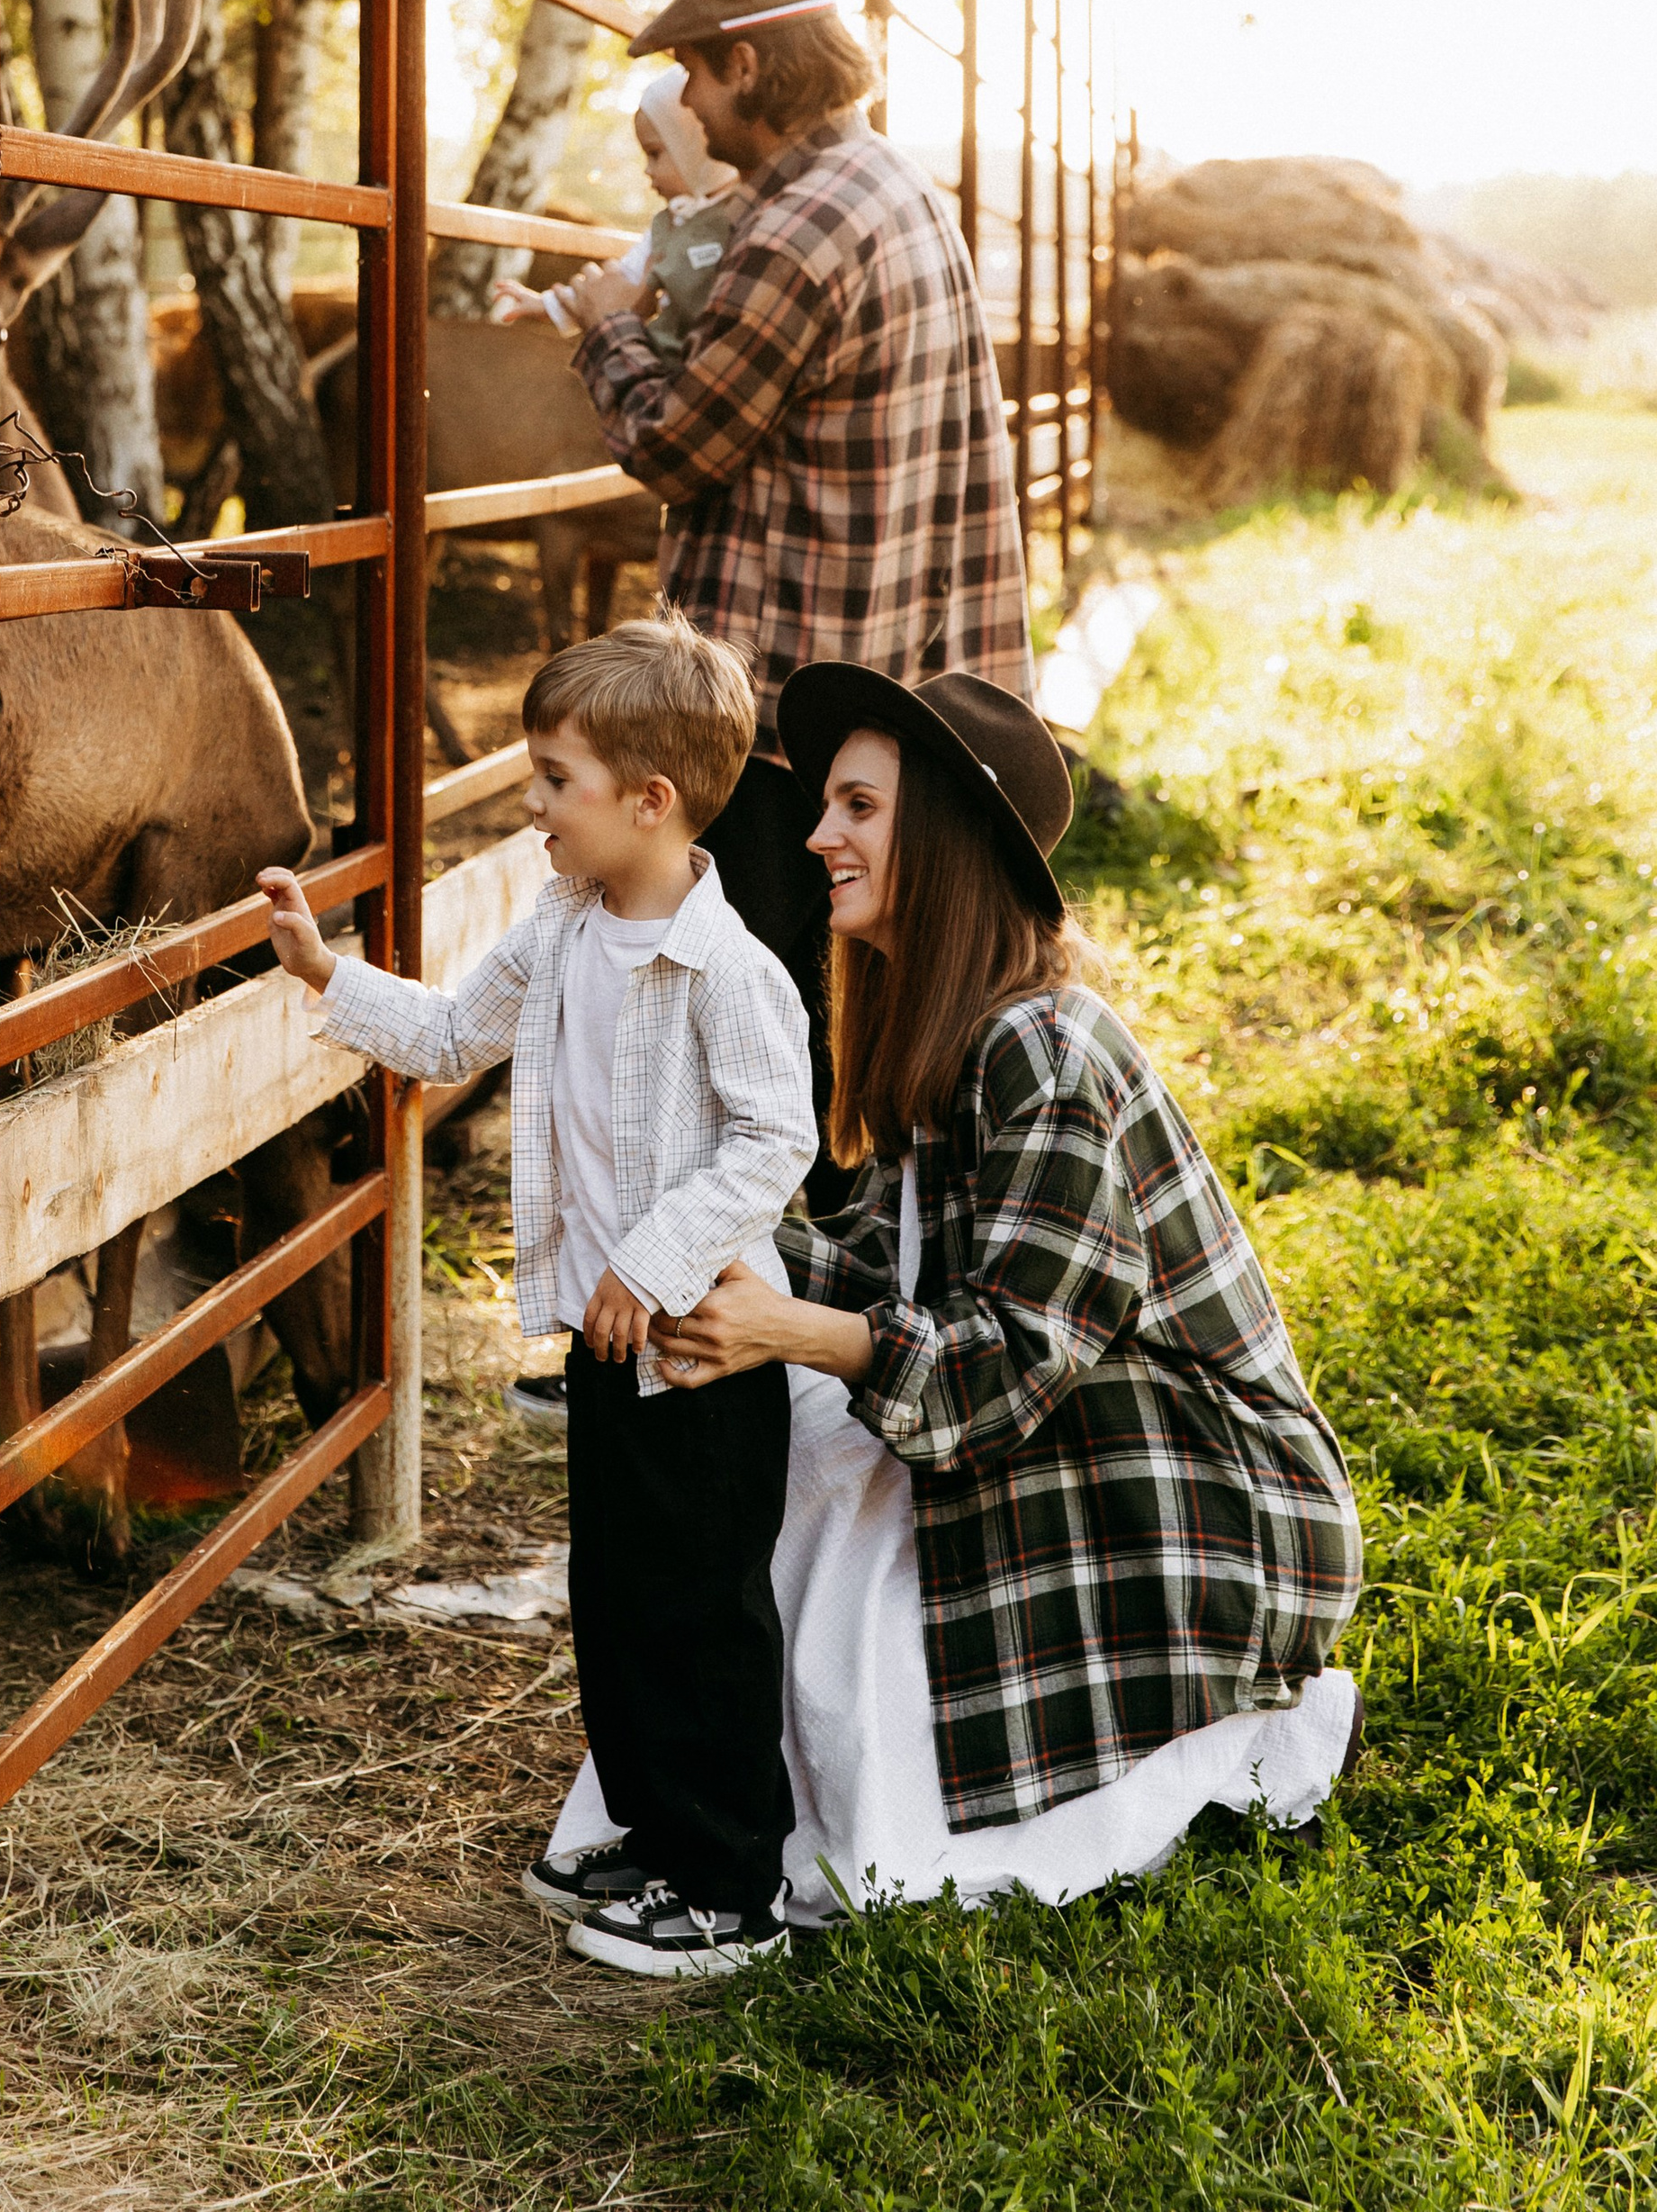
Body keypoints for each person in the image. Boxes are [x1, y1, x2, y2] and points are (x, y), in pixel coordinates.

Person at [546, 664, 1364, 1920]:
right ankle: (696, 1807)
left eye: (859, 808)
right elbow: (881, 1261)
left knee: (817, 1480)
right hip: (1058, 1425)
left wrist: (787, 1325)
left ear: (944, 838)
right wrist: (699, 1249)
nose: (818, 835)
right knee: (789, 1448)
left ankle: (767, 1840)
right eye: (829, 806)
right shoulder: (950, 1029)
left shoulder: (1043, 1046)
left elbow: (1016, 1360)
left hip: (1183, 1485)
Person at [257, 614, 815, 1979]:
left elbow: (774, 1143)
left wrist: (652, 1259)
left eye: (552, 780)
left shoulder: (728, 973)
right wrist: (330, 976)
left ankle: (733, 1888)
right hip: (603, 1345)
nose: (531, 803)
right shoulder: (566, 925)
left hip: (702, 1353)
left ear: (650, 802)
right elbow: (455, 1034)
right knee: (619, 1598)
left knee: (701, 1608)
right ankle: (657, 1832)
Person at [546, 0, 1031, 1175]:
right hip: (855, 670)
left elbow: (675, 443)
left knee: (757, 1030)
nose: (692, 111)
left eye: (698, 80)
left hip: (767, 705)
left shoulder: (802, 226)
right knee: (816, 1020)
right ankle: (816, 1295)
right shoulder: (891, 186)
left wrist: (607, 329)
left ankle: (748, 1335)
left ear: (748, 64)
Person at [492, 68, 746, 366]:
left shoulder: (740, 210)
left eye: (655, 154)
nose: (647, 171)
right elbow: (625, 277)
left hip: (712, 353)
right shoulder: (666, 226)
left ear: (693, 147)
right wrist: (547, 305)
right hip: (664, 357)